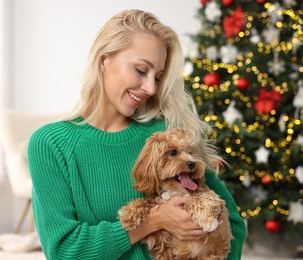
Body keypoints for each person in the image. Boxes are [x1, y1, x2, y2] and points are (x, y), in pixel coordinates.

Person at [27, 9, 246, 260]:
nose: (151, 88)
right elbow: (63, 249)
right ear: (103, 59)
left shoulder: (165, 137)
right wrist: (152, 222)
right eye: (141, 70)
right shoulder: (51, 144)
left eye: (158, 77)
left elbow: (233, 224)